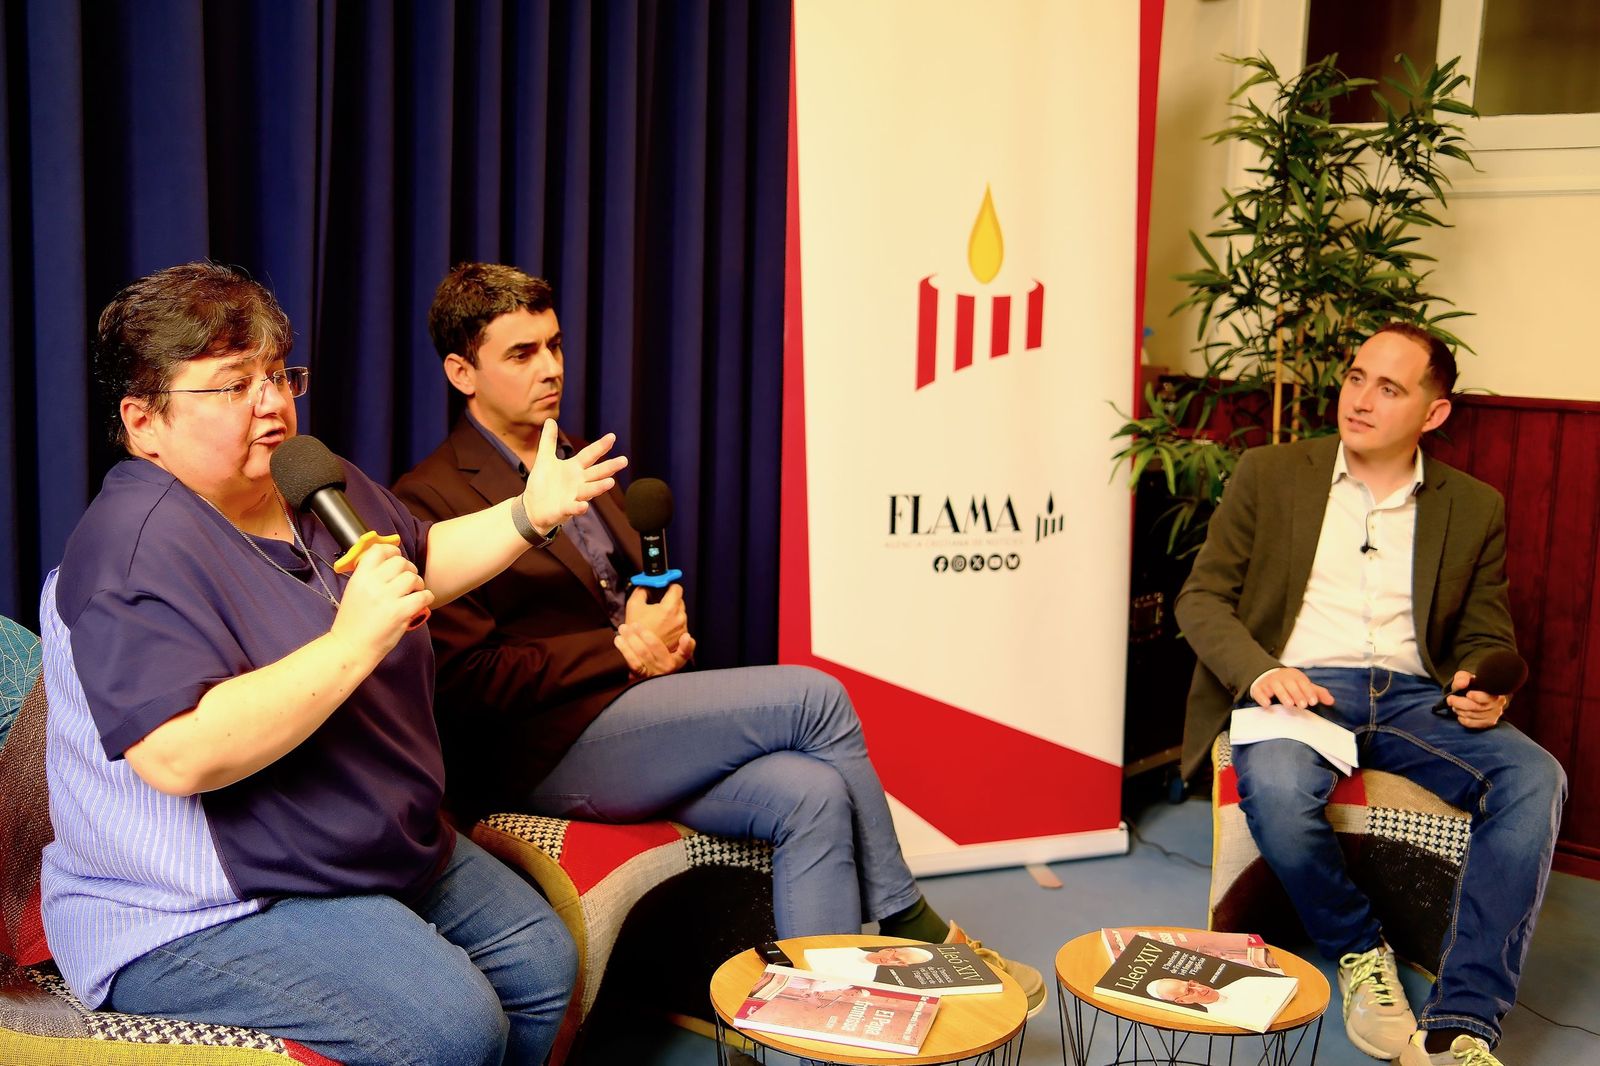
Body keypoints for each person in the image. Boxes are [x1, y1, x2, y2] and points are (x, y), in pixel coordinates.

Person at [392, 262, 1047, 1016]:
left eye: (555, 344)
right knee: (815, 697)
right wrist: (621, 651)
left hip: (637, 719)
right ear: (460, 372)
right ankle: (909, 921)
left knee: (814, 794)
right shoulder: (431, 495)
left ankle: (820, 1039)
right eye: (522, 353)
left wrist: (662, 639)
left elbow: (623, 603)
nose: (552, 368)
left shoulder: (576, 454)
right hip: (542, 752)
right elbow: (466, 683)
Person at [40, 262, 627, 1065]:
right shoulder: (130, 550)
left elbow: (418, 560)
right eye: (233, 386)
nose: (274, 405)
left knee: (540, 966)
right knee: (452, 1029)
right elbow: (180, 753)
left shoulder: (306, 479)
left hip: (369, 836)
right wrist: (352, 642)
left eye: (278, 374)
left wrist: (529, 513)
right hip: (208, 903)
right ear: (144, 421)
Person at [1175, 323, 1567, 1066]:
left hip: (1417, 697)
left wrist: (1483, 684)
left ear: (1434, 412)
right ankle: (1361, 951)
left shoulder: (1473, 505)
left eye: (1389, 388)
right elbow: (1202, 600)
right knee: (1282, 790)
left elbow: (1489, 632)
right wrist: (1261, 672)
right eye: (1356, 377)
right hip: (1297, 690)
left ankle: (1464, 1020)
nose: (1360, 399)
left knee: (1535, 778)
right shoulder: (1271, 473)